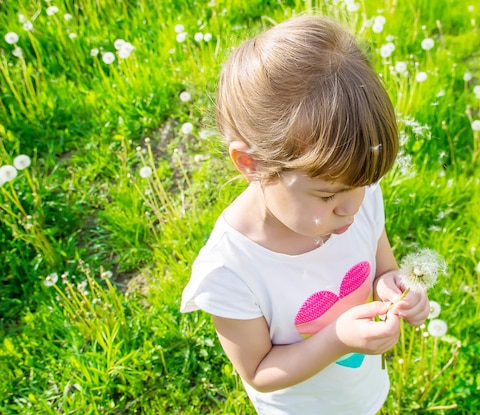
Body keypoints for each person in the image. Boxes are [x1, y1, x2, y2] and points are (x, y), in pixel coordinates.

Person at [180, 14, 430, 414]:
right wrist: (338, 339)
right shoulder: (230, 271)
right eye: (328, 196)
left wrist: (396, 288)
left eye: (362, 185)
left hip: (360, 394)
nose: (351, 208)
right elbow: (259, 371)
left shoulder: (357, 199)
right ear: (250, 164)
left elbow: (383, 269)